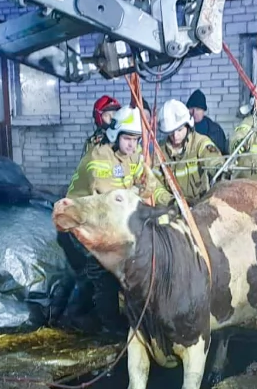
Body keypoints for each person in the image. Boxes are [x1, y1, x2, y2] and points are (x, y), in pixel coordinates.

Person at [63, 108, 173, 335]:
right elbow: (112, 201)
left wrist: (169, 202)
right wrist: (134, 191)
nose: (133, 145)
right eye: (127, 139)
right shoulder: (99, 158)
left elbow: (150, 183)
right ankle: (109, 328)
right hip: (83, 223)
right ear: (114, 135)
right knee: (102, 275)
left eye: (135, 139)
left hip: (111, 223)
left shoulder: (134, 155)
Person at [157, 99, 222, 203]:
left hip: (201, 204)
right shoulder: (159, 152)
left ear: (188, 126)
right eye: (170, 132)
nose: (175, 136)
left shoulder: (199, 142)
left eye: (179, 130)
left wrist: (219, 169)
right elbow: (155, 185)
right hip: (173, 208)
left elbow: (212, 158)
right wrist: (172, 202)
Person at [186, 89, 228, 154]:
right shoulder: (181, 130)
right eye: (191, 108)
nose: (194, 112)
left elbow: (223, 153)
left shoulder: (216, 130)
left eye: (198, 109)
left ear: (204, 110)